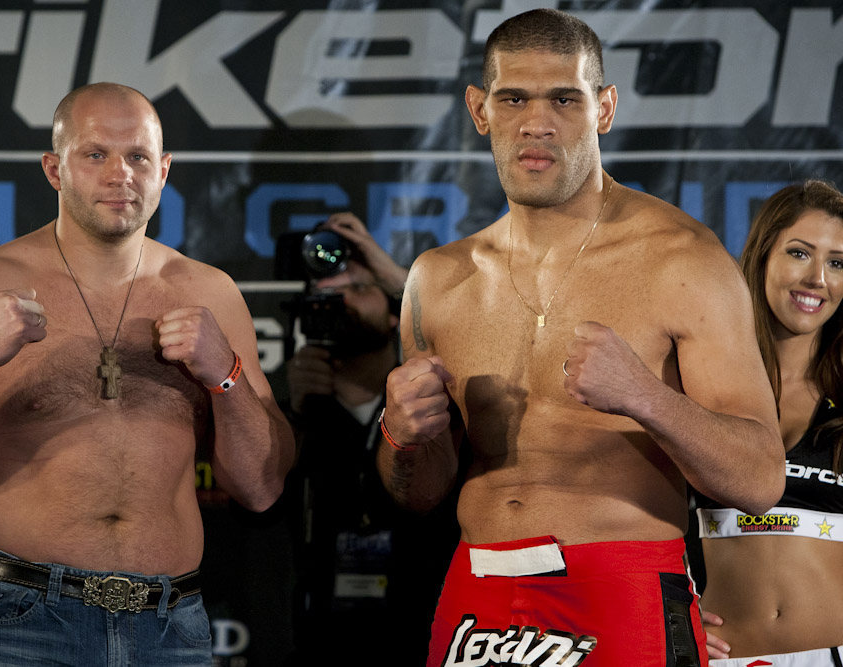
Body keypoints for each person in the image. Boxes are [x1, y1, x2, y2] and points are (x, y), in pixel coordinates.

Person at [375, 9, 784, 667]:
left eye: (564, 99)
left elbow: (761, 478)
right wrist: (400, 436)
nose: (537, 122)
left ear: (605, 108)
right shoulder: (438, 279)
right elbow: (419, 494)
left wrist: (646, 397)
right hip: (475, 594)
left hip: (617, 590)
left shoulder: (682, 260)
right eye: (514, 99)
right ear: (480, 110)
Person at [0, 82, 294, 667]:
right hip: (17, 622)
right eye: (96, 154)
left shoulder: (211, 294)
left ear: (164, 171)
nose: (120, 174)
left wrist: (225, 373)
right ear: (55, 169)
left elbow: (260, 487)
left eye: (138, 156)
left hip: (170, 627)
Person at [284, 213, 460, 664]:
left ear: (395, 316)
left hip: (420, 624)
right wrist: (298, 417)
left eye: (360, 288)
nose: (343, 300)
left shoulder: (431, 406)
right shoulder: (298, 412)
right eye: (329, 294)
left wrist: (400, 279)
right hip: (319, 636)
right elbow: (260, 512)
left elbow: (466, 329)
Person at [696, 180, 843, 666]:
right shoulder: (700, 385)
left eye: (838, 263)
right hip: (720, 656)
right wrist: (669, 611)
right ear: (762, 255)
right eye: (800, 253)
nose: (817, 279)